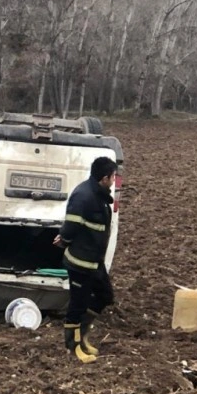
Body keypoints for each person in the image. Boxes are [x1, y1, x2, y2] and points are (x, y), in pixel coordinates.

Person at [53, 156, 118, 364]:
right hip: (81, 263)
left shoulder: (99, 194)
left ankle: (83, 335)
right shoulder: (84, 196)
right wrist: (64, 239)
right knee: (77, 305)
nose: (114, 180)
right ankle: (73, 347)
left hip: (94, 261)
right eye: (113, 176)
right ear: (104, 178)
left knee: (105, 296)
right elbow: (72, 225)